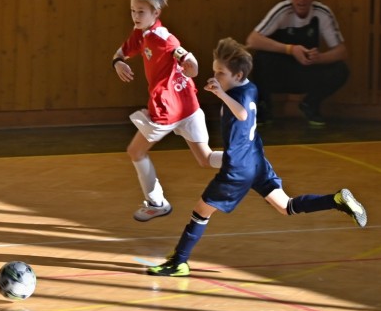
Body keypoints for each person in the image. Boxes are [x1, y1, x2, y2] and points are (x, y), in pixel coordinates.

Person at [147, 38, 366, 277]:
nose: (215, 77)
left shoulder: (235, 97)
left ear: (238, 75)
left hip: (239, 169)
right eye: (215, 71)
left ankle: (178, 262)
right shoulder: (250, 87)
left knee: (201, 211)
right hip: (256, 160)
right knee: (285, 206)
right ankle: (336, 200)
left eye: (221, 73)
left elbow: (241, 114)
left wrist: (221, 94)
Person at [112, 0, 215, 222]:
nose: (135, 16)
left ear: (155, 13)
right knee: (206, 158)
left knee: (135, 151)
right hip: (189, 105)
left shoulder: (162, 37)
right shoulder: (141, 33)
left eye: (141, 11)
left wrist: (190, 64)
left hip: (168, 109)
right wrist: (118, 62)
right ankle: (246, 162)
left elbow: (182, 54)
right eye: (133, 10)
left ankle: (156, 203)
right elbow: (120, 52)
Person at [245, 0, 349, 127]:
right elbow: (252, 40)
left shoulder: (322, 13)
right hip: (281, 71)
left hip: (307, 70)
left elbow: (342, 51)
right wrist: (291, 49)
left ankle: (310, 104)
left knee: (341, 70)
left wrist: (319, 58)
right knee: (260, 59)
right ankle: (264, 106)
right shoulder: (282, 10)